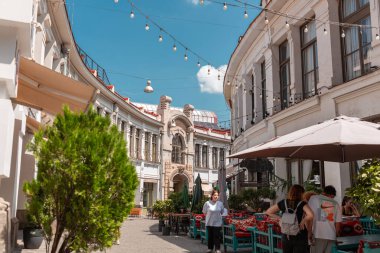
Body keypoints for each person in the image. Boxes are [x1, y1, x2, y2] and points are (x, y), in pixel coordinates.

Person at [265, 184, 314, 253]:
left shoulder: (283, 202)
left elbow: (268, 212)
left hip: (286, 234)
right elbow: (311, 215)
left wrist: (280, 218)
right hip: (300, 234)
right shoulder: (302, 203)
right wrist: (304, 220)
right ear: (301, 193)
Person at [308, 185, 342, 253]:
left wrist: (309, 232)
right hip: (331, 236)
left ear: (323, 192)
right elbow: (338, 223)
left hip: (318, 234)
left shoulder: (314, 198)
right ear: (332, 195)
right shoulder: (336, 203)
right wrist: (336, 237)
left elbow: (310, 217)